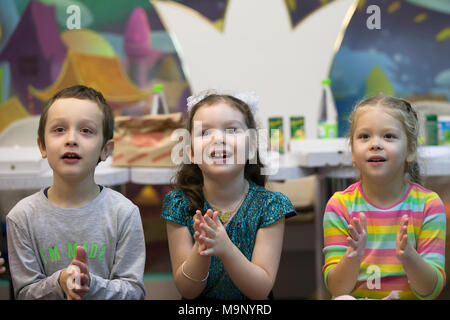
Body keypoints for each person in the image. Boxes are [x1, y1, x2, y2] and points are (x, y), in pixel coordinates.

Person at [6, 85, 146, 300]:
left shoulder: (124, 213)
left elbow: (134, 292)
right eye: (59, 129)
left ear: (105, 150)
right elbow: (23, 293)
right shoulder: (21, 217)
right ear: (42, 146)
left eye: (86, 131)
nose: (71, 139)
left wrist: (92, 285)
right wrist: (60, 282)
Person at [161, 89, 296, 299]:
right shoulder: (179, 204)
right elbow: (187, 290)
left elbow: (260, 290)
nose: (218, 139)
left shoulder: (270, 206)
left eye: (232, 130)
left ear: (252, 148)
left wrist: (225, 249)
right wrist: (203, 246)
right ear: (192, 153)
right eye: (205, 132)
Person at [323, 95, 446, 299]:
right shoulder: (339, 205)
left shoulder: (429, 205)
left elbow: (430, 290)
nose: (375, 144)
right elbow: (337, 290)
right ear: (352, 152)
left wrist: (409, 257)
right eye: (364, 136)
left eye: (388, 136)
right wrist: (353, 255)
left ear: (411, 150)